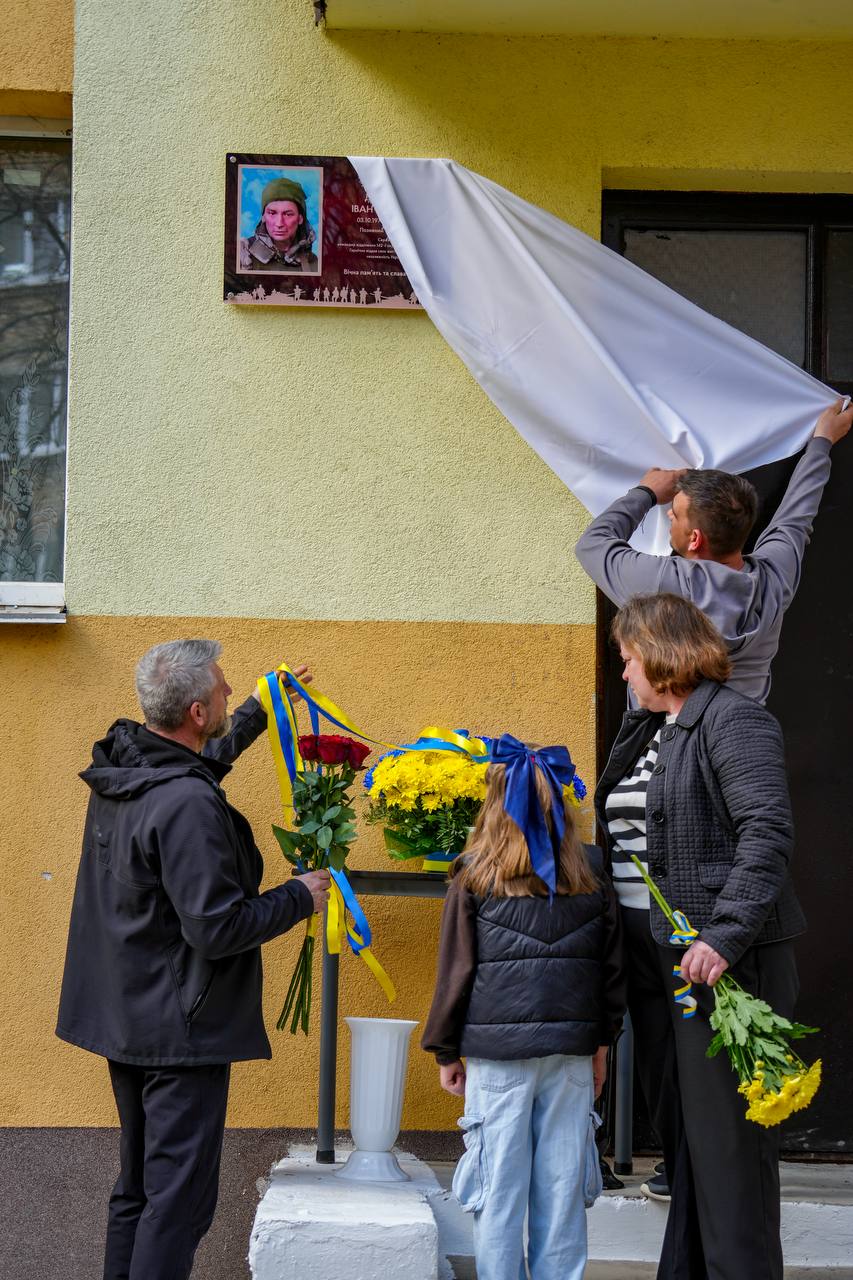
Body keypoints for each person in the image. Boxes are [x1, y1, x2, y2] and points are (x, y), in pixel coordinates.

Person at [55, 639, 331, 1280]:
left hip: (131, 1019)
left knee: (140, 1190)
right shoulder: (185, 803)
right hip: (180, 1032)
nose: (232, 695)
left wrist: (261, 711)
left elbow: (194, 774)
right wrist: (298, 896)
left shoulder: (129, 773)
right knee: (177, 1204)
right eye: (228, 693)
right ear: (199, 713)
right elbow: (216, 928)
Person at [595, 594, 805, 1280]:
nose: (623, 673)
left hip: (718, 963)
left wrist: (724, 933)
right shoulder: (648, 729)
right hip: (653, 958)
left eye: (627, 660)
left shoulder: (734, 721)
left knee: (727, 1149)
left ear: (659, 656)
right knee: (684, 1141)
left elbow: (765, 834)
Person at [422, 735, 625, 1280]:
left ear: (494, 802)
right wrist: (603, 1043)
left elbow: (455, 971)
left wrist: (446, 1050)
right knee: (562, 1195)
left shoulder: (474, 874)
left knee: (499, 1194)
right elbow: (611, 972)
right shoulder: (592, 871)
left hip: (496, 1053)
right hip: (571, 1055)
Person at [575, 398, 853, 704]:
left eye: (676, 513)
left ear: (695, 539)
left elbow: (593, 545)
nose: (669, 514)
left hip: (672, 745)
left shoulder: (663, 584)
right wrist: (821, 442)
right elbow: (796, 517)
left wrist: (647, 492)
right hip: (742, 735)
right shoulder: (773, 578)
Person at [239, 176, 319, 272]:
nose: (279, 223)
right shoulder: (243, 255)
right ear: (263, 216)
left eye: (288, 214)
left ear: (300, 219)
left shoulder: (313, 263)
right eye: (272, 213)